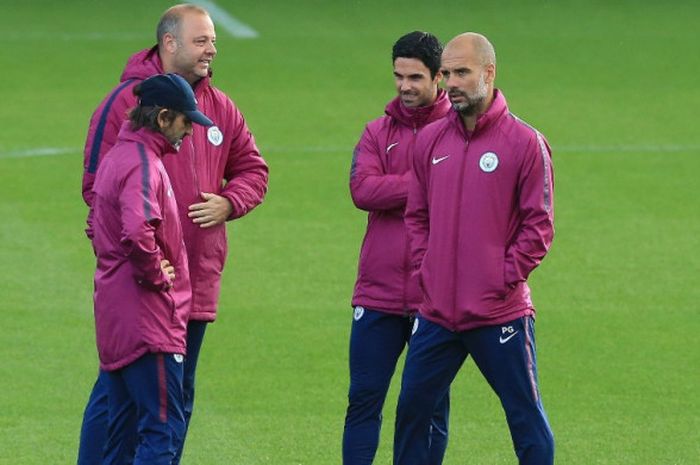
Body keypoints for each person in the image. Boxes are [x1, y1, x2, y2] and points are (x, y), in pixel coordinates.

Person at [78, 4, 269, 464]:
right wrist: (136, 260)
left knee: (172, 398)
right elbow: (97, 189)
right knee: (122, 401)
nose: (211, 50)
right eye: (201, 40)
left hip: (194, 277)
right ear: (169, 43)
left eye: (213, 41)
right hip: (144, 285)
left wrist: (230, 201)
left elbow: (254, 171)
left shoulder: (220, 107)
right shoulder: (125, 104)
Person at [393, 32, 556, 465]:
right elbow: (417, 216)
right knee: (411, 414)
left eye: (461, 72)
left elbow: (538, 227)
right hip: (437, 313)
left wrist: (499, 278)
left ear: (488, 72)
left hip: (498, 312)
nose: (450, 83)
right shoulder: (429, 141)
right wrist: (427, 269)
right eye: (446, 73)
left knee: (525, 419)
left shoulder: (525, 143)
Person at [88, 73, 213, 464]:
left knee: (120, 435)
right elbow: (139, 230)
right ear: (162, 118)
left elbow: (96, 223)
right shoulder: (143, 164)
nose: (190, 131)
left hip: (117, 314)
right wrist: (157, 275)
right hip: (149, 320)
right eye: (185, 121)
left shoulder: (117, 158)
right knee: (161, 432)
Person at [344, 31, 452, 465]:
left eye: (415, 77)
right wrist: (429, 184)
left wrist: (398, 188)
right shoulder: (376, 132)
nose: (404, 86)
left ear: (438, 77)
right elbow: (362, 190)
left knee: (429, 409)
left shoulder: (456, 133)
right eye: (398, 76)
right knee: (363, 402)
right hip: (379, 293)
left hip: (436, 297)